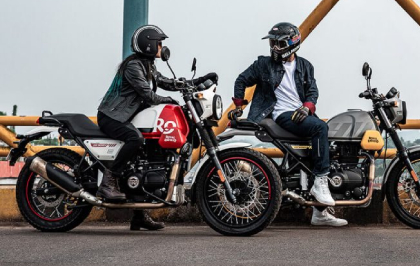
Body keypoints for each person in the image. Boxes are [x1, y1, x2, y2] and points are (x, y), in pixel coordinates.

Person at [97, 25, 215, 231]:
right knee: (135, 139)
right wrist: (170, 100)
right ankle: (108, 181)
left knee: (146, 157)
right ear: (149, 45)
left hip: (126, 116)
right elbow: (148, 95)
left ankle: (139, 216)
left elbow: (166, 82)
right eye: (159, 43)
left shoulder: (148, 65)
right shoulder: (133, 66)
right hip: (112, 117)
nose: (162, 47)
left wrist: (196, 82)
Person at [230, 22, 347, 227]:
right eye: (272, 43)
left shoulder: (305, 66)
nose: (275, 47)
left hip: (301, 114)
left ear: (293, 44)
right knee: (320, 127)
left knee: (316, 154)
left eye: (279, 44)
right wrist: (239, 105)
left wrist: (307, 107)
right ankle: (321, 181)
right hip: (281, 114)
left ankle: (319, 214)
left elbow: (312, 92)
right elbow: (241, 80)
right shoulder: (263, 64)